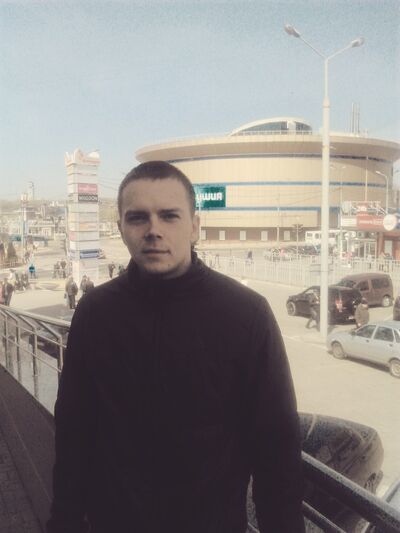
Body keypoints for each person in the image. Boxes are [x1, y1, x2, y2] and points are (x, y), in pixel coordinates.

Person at [48, 161, 304, 533]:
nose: (154, 230)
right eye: (138, 218)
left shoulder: (246, 314)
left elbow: (276, 451)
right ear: (120, 229)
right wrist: (63, 522)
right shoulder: (95, 313)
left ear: (194, 227)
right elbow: (75, 430)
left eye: (169, 216)